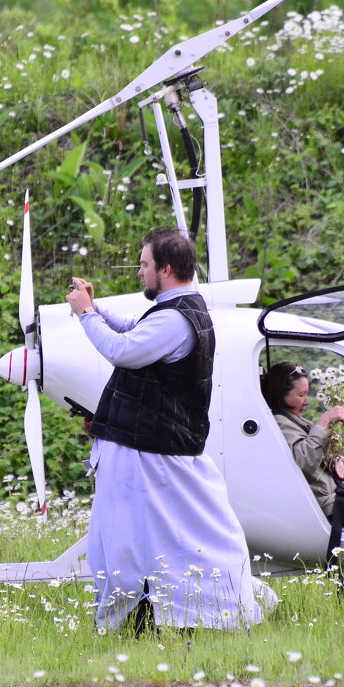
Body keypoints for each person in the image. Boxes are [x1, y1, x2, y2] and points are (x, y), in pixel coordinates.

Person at [66, 227, 274, 633]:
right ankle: (153, 615)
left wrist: (86, 314)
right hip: (153, 446)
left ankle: (168, 615)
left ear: (165, 269)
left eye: (144, 265)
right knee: (150, 536)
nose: (139, 272)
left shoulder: (176, 320)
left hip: (149, 450)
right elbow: (133, 328)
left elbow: (123, 350)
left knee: (129, 537)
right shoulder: (180, 309)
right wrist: (97, 306)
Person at [261, 362, 344, 519]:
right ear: (281, 395)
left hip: (337, 495)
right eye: (301, 395)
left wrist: (337, 458)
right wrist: (324, 421)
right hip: (327, 505)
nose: (306, 402)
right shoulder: (279, 423)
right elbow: (304, 461)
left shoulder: (298, 421)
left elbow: (320, 451)